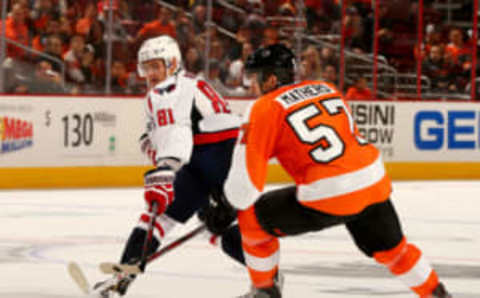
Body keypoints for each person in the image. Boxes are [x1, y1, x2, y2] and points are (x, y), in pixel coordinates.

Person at [203, 44, 452, 298]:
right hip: (373, 181)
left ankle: (264, 291)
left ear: (271, 79)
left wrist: (226, 206)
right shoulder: (327, 89)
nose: (250, 85)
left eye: (253, 78)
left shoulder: (264, 107)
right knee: (394, 251)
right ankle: (436, 293)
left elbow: (245, 188)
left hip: (330, 193)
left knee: (252, 220)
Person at [91, 35, 246, 297]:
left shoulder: (169, 90)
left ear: (172, 64)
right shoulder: (185, 84)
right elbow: (177, 133)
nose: (150, 73)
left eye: (155, 66)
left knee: (221, 226)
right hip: (216, 160)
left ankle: (122, 278)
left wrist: (165, 168)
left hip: (217, 159)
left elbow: (178, 135)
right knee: (174, 220)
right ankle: (122, 277)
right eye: (147, 67)